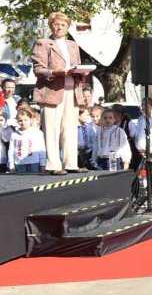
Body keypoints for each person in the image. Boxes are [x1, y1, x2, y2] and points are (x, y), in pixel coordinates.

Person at [31, 12, 91, 175]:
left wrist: (81, 72)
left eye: (63, 25)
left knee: (70, 128)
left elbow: (76, 65)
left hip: (72, 90)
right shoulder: (42, 43)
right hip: (52, 91)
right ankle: (54, 165)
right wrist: (54, 72)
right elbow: (38, 69)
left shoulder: (73, 44)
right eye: (56, 24)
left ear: (67, 27)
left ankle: (71, 163)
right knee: (52, 128)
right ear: (51, 25)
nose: (59, 27)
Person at [3, 105, 47, 173]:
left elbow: (42, 149)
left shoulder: (37, 133)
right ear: (17, 121)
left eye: (25, 120)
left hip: (34, 162)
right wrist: (11, 165)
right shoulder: (14, 135)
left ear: (30, 120)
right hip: (19, 163)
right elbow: (11, 150)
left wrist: (43, 164)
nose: (23, 122)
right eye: (20, 120)